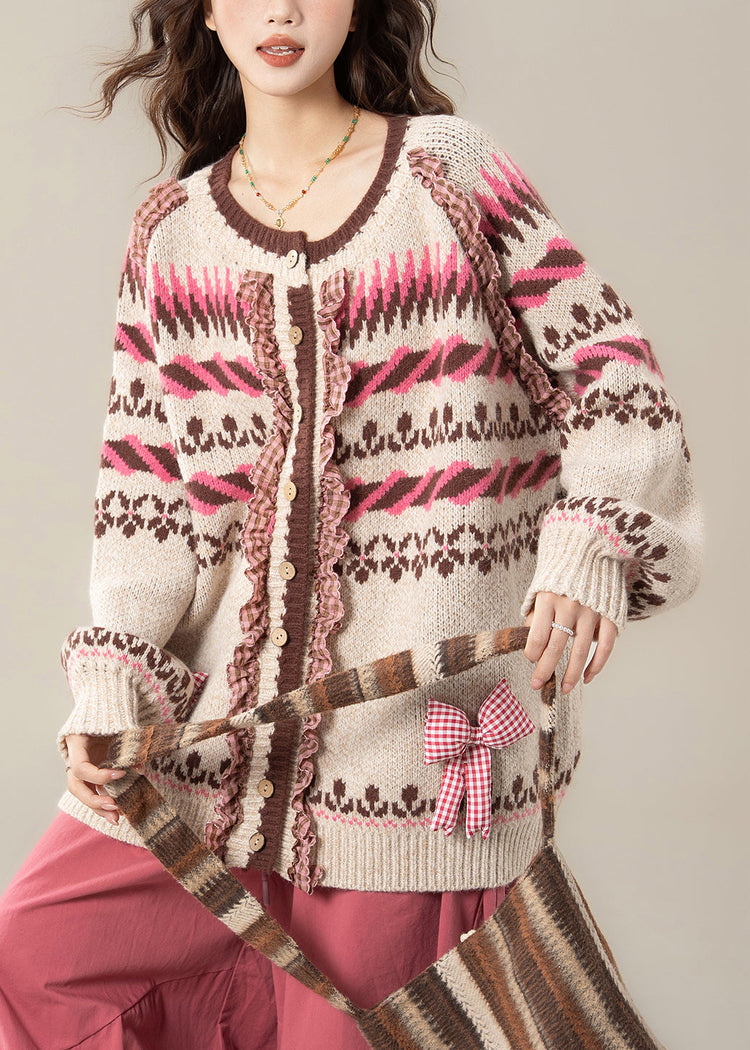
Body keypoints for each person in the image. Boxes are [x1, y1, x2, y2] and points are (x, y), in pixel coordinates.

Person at [0, 0, 703, 1047]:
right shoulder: (171, 232)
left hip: (405, 771)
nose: (282, 9)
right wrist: (112, 688)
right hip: (210, 756)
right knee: (38, 954)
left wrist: (591, 538)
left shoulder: (449, 176)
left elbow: (618, 382)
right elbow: (145, 500)